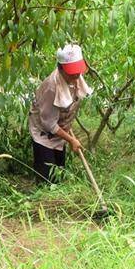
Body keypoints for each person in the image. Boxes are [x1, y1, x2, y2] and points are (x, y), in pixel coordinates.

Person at [28, 44, 93, 182]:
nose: (76, 74)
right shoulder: (51, 87)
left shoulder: (76, 78)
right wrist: (71, 140)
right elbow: (49, 124)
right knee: (46, 178)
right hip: (44, 133)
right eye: (72, 71)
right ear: (60, 68)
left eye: (78, 70)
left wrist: (68, 133)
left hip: (60, 130)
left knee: (59, 172)